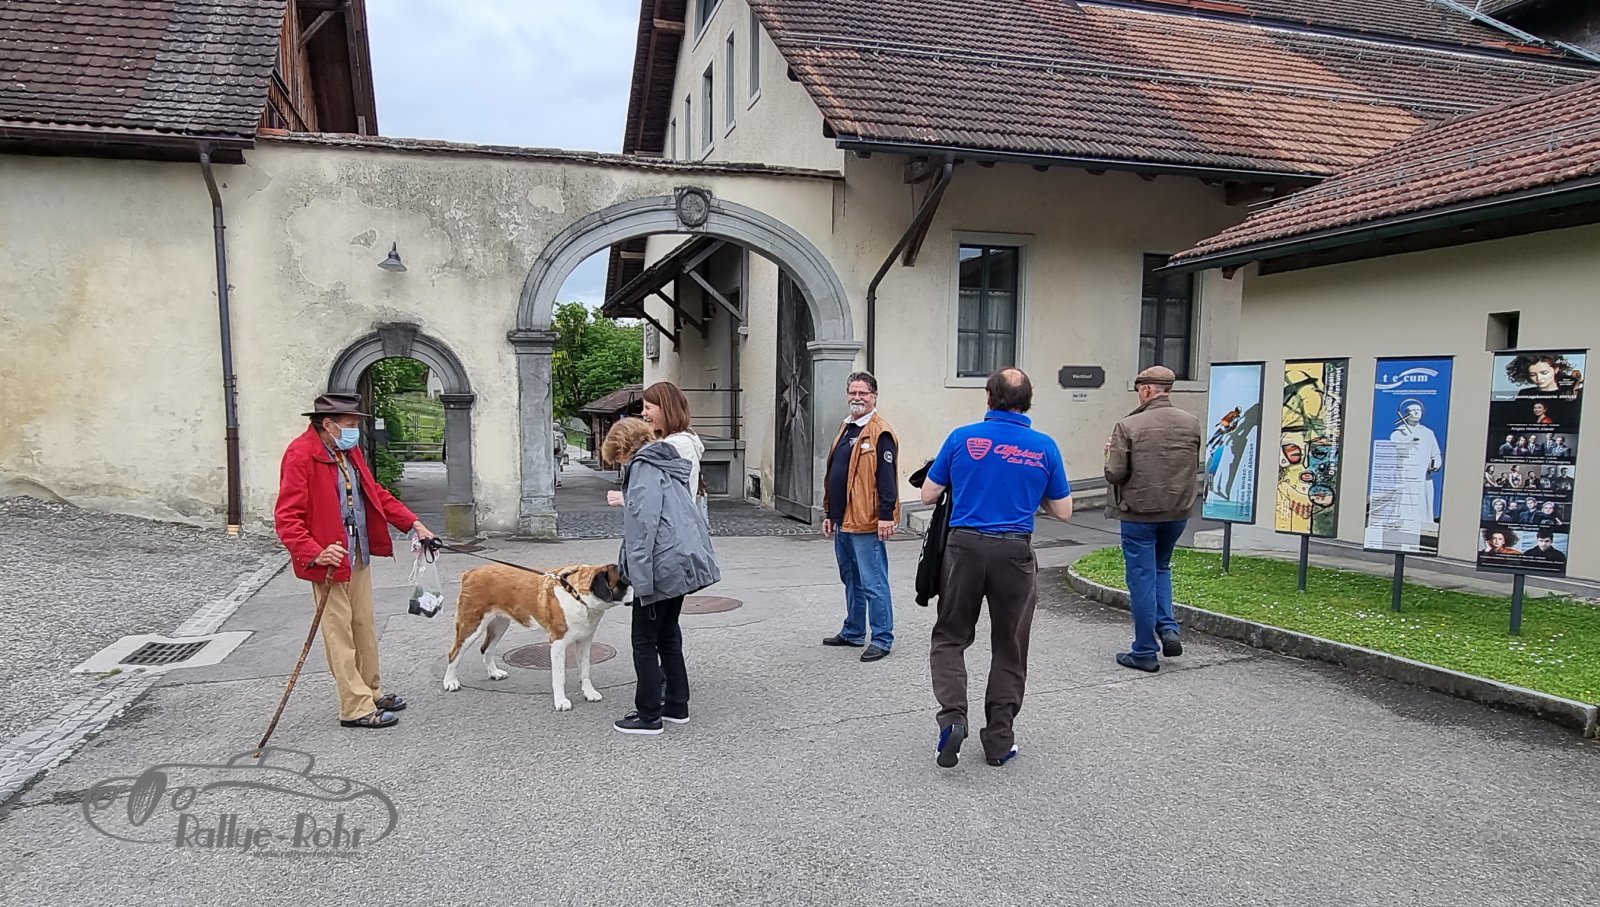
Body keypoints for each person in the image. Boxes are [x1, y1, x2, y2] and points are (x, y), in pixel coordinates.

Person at [919, 368, 1071, 769]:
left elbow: (928, 493)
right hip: (1015, 552)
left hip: (964, 548)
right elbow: (1064, 510)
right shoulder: (1044, 446)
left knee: (950, 637)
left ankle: (953, 719)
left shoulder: (961, 438)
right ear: (1028, 402)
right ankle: (999, 741)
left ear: (989, 397)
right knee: (1010, 645)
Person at [274, 393, 436, 730]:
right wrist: (314, 551)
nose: (355, 431)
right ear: (328, 424)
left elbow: (375, 494)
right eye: (349, 424)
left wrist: (413, 523)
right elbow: (287, 518)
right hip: (329, 561)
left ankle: (371, 691)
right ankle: (354, 706)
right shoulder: (300, 454)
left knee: (363, 625)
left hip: (357, 552)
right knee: (339, 633)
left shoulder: (349, 452)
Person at [604, 417, 721, 736]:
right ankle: (676, 705)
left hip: (660, 567)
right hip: (678, 564)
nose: (620, 465)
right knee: (668, 634)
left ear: (624, 448)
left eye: (618, 459)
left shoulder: (643, 468)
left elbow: (643, 528)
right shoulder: (665, 464)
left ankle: (648, 715)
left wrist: (640, 582)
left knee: (643, 640)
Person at [1104, 365, 1205, 673]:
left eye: (1139, 390)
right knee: (1161, 568)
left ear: (1147, 389)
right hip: (1177, 511)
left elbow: (1115, 473)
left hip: (1139, 513)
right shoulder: (1191, 423)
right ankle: (1168, 628)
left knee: (1142, 578)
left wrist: (1109, 453)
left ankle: (1145, 651)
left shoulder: (1128, 425)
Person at [820, 371, 900, 662]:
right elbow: (836, 473)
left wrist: (887, 515)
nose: (857, 398)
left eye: (863, 393)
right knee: (851, 578)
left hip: (867, 520)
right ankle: (853, 630)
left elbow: (887, 478)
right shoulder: (847, 427)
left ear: (874, 396)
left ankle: (882, 638)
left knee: (873, 581)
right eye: (853, 393)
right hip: (843, 519)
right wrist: (830, 513)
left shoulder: (880, 432)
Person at [637, 381, 709, 525]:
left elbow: (662, 494)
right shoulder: (679, 441)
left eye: (648, 408)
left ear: (666, 409)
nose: (643, 413)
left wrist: (626, 498)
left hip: (672, 526)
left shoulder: (675, 446)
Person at [1386, 400, 1443, 533]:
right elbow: (1394, 443)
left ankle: (1424, 519)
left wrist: (1436, 460)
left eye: (1419, 410)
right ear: (1406, 414)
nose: (1417, 412)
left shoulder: (1428, 432)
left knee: (1423, 493)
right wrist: (1409, 440)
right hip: (1407, 467)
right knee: (1407, 492)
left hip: (1423, 470)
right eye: (1413, 410)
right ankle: (1405, 517)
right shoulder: (1401, 431)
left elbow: (1435, 451)